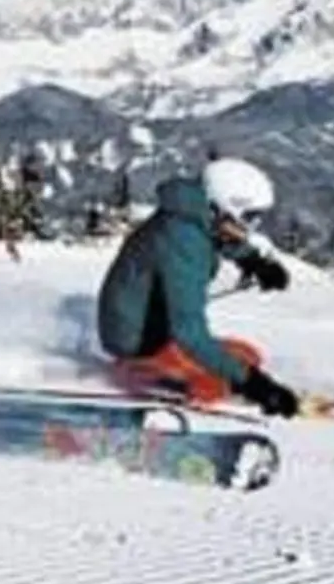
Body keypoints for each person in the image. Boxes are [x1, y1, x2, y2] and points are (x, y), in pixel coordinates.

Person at [94, 156, 301, 415]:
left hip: (143, 323)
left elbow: (217, 233)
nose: (251, 226)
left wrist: (253, 261)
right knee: (219, 381)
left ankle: (168, 373)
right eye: (249, 217)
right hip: (137, 341)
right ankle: (151, 378)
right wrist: (254, 385)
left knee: (247, 355)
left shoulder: (189, 215)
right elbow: (190, 335)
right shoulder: (184, 244)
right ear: (221, 207)